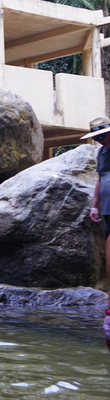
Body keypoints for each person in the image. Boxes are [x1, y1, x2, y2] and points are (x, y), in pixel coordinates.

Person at [82, 116, 110, 320]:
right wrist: (94, 206)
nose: (99, 140)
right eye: (96, 137)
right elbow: (100, 179)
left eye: (101, 135)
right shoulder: (102, 152)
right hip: (107, 209)